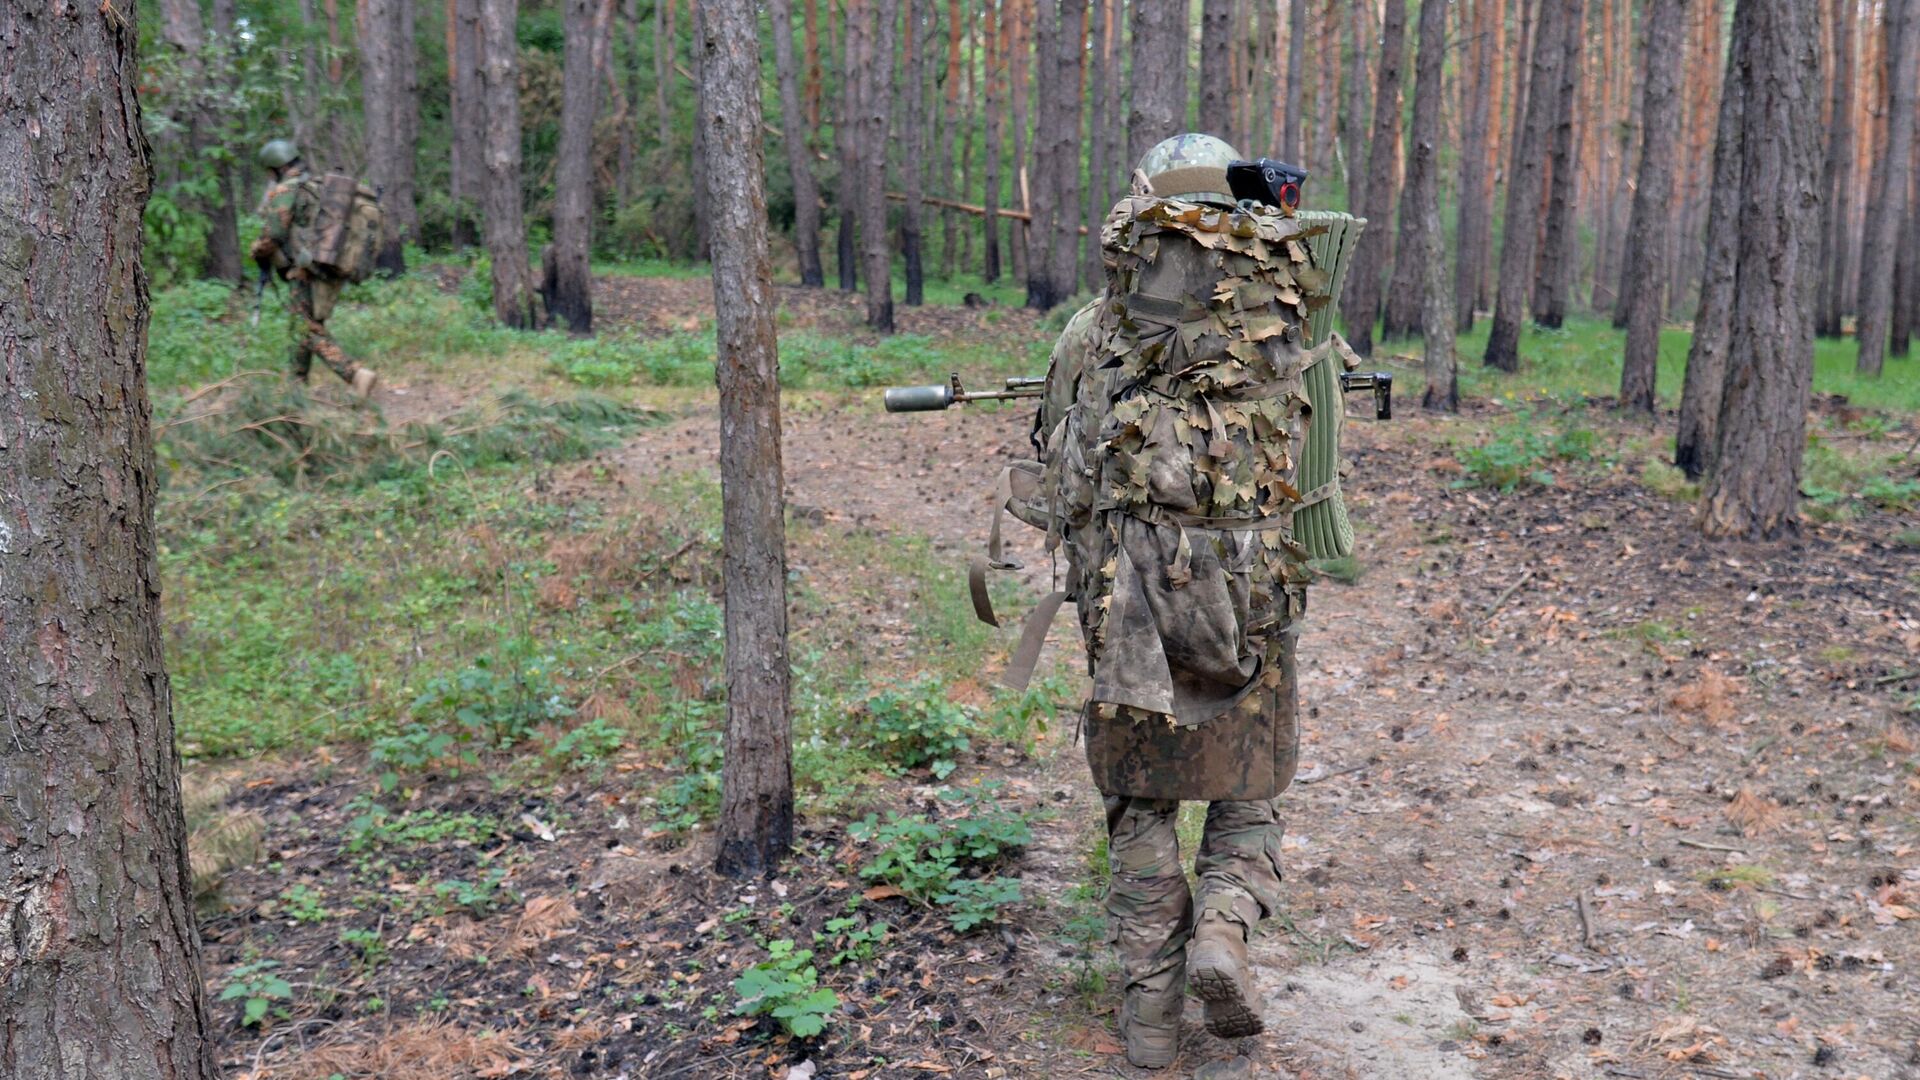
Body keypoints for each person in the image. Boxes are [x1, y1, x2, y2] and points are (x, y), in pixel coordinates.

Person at [1034, 133, 1321, 1068]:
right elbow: (1315, 487)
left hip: (1127, 603)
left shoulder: (1090, 332)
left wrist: (1092, 586)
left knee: (1139, 803)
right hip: (1249, 595)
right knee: (1249, 790)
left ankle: (1152, 1024)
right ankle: (1225, 936)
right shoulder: (1287, 330)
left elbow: (1062, 473)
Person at [249, 139, 378, 397]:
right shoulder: (313, 186)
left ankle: (354, 374)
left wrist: (257, 249)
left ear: (275, 166)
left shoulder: (287, 190)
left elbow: (273, 233)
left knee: (304, 328)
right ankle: (296, 388)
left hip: (305, 271)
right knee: (305, 324)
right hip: (323, 265)